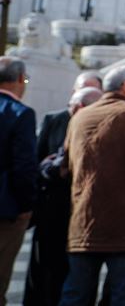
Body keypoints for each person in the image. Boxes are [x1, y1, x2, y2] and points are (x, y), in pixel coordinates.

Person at [59, 64, 125, 306]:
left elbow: (65, 167)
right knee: (124, 297)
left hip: (84, 223)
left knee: (75, 294)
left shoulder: (80, 117)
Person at [24, 87, 103, 306]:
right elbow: (37, 164)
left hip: (85, 215)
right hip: (53, 211)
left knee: (79, 276)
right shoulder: (56, 120)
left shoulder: (104, 125)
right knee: (45, 273)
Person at [0, 56, 37, 306]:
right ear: (19, 80)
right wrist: (26, 206)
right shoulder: (20, 114)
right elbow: (23, 167)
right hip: (5, 209)